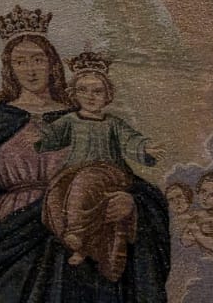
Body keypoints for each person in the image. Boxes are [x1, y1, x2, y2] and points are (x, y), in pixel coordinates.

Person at [0, 10, 170, 302]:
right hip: (12, 238)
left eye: (38, 60)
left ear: (52, 64)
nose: (30, 70)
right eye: (20, 61)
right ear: (9, 68)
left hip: (76, 226)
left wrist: (130, 202)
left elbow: (116, 174)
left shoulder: (83, 119)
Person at [37, 55, 161, 282]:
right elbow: (52, 137)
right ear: (74, 94)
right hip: (73, 171)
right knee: (55, 195)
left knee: (85, 182)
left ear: (108, 95)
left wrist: (145, 148)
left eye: (97, 91)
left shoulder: (113, 123)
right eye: (83, 90)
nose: (90, 96)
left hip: (108, 172)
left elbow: (130, 140)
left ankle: (76, 232)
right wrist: (39, 138)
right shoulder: (70, 120)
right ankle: (79, 245)